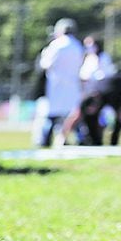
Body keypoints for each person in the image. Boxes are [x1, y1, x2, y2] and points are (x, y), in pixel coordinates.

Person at [37, 18, 85, 147]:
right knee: (72, 114)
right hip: (73, 86)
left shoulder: (56, 45)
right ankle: (80, 138)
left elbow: (46, 64)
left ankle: (45, 140)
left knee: (51, 115)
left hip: (56, 85)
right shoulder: (78, 46)